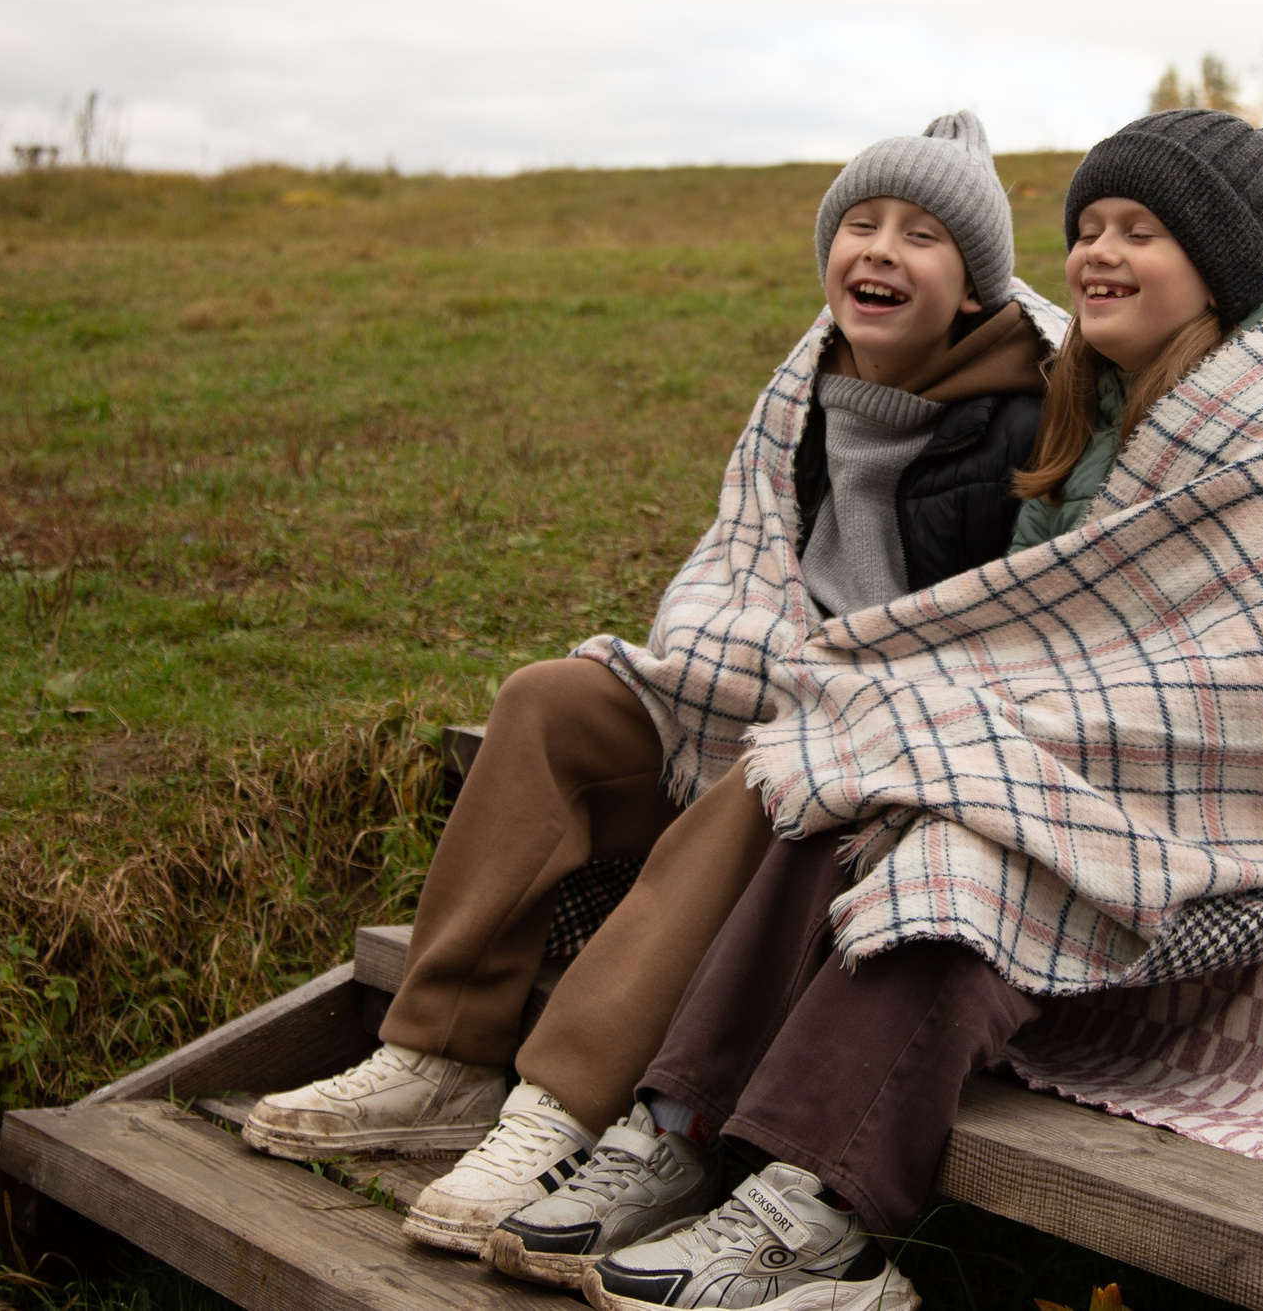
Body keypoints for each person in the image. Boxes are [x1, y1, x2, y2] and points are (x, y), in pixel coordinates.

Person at [491, 108, 1263, 1311]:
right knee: (851, 775)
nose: (1098, 254)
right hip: (1095, 749)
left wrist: (1005, 737)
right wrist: (965, 722)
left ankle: (822, 1216)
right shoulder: (1093, 393)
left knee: (967, 859)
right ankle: (678, 1124)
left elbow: (1254, 675)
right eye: (1088, 227)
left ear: (1220, 264)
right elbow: (1044, 615)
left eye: (1142, 230)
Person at [240, 112, 1056, 1257]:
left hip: (887, 762)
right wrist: (768, 665)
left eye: (922, 235)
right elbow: (746, 556)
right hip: (772, 696)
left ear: (974, 288)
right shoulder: (813, 386)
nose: (879, 250)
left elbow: (1026, 634)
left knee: (772, 776)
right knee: (547, 703)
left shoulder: (1034, 416)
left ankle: (558, 1113)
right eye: (859, 224)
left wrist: (825, 700)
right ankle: (437, 1057)